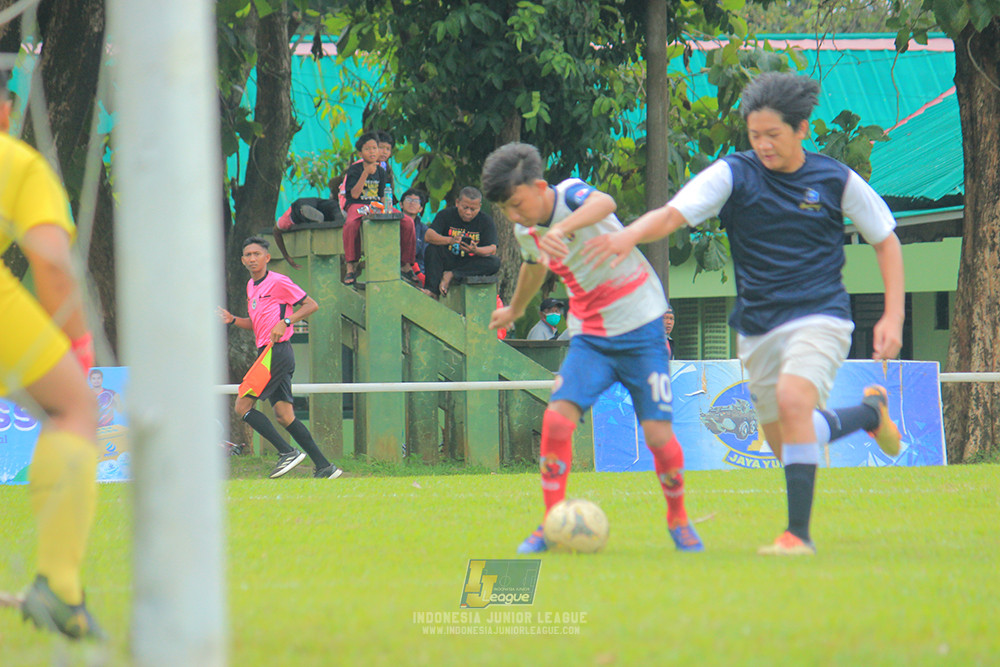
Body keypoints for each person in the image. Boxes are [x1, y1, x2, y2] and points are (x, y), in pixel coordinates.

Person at [583, 72, 903, 556]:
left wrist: (893, 315)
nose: (764, 145)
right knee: (786, 437)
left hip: (822, 315)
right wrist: (627, 236)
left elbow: (885, 238)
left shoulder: (834, 179)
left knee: (795, 404)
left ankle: (797, 535)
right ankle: (867, 413)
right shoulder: (734, 173)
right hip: (757, 327)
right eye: (755, 136)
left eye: (773, 135)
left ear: (801, 128)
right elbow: (672, 214)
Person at [482, 142, 703, 554]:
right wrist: (514, 308)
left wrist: (562, 229)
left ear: (539, 185)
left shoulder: (571, 194)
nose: (514, 216)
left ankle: (679, 519)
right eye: (506, 211)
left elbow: (605, 202)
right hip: (591, 337)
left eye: (516, 204)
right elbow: (534, 266)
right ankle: (551, 524)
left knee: (657, 435)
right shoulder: (525, 231)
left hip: (642, 329)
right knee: (557, 421)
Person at [0, 72, 105, 639]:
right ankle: (60, 590)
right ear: (6, 107)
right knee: (74, 409)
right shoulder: (16, 161)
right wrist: (81, 347)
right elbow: (54, 266)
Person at [218, 236, 343, 479]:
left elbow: (311, 305)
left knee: (242, 405)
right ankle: (325, 467)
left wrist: (286, 321)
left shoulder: (278, 281)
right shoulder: (251, 286)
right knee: (285, 416)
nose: (252, 258)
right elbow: (256, 325)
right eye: (248, 255)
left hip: (276, 351)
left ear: (267, 257)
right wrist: (232, 319)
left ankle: (287, 452)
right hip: (268, 352)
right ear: (243, 260)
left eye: (257, 254)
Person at [340, 132, 416, 285]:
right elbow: (354, 194)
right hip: (358, 204)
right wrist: (365, 173)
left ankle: (405, 264)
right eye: (368, 149)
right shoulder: (355, 169)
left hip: (376, 205)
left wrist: (388, 209)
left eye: (375, 148)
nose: (373, 152)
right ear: (361, 153)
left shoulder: (382, 171)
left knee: (407, 222)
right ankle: (350, 266)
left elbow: (383, 196)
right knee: (350, 225)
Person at [423, 186, 501, 297]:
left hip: (469, 263)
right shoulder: (445, 214)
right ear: (457, 203)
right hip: (449, 258)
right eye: (465, 208)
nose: (468, 212)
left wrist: (475, 249)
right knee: (432, 249)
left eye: (473, 209)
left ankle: (452, 275)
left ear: (480, 207)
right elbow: (428, 236)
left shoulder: (486, 221)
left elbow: (492, 249)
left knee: (494, 262)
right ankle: (432, 290)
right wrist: (450, 240)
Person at [272, 196, 345, 269]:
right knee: (332, 205)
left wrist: (287, 257)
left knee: (329, 208)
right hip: (306, 206)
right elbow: (276, 231)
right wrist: (287, 257)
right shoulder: (285, 220)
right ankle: (336, 219)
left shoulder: (284, 221)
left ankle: (311, 215)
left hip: (309, 206)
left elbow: (276, 232)